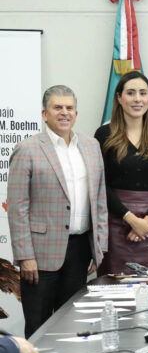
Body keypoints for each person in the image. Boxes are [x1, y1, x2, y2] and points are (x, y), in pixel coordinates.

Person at [8, 85, 108, 337]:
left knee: (73, 325)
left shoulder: (91, 146)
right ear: (44, 114)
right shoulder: (28, 148)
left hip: (80, 252)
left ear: (76, 112)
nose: (64, 113)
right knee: (39, 327)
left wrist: (99, 246)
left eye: (69, 108)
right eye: (57, 107)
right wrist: (25, 256)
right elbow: (17, 208)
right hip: (40, 255)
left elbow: (99, 200)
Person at [94, 71, 148, 274]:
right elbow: (100, 185)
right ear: (119, 98)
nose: (137, 99)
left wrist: (147, 221)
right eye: (130, 93)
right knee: (113, 286)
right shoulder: (104, 134)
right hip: (115, 223)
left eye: (143, 93)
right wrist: (130, 218)